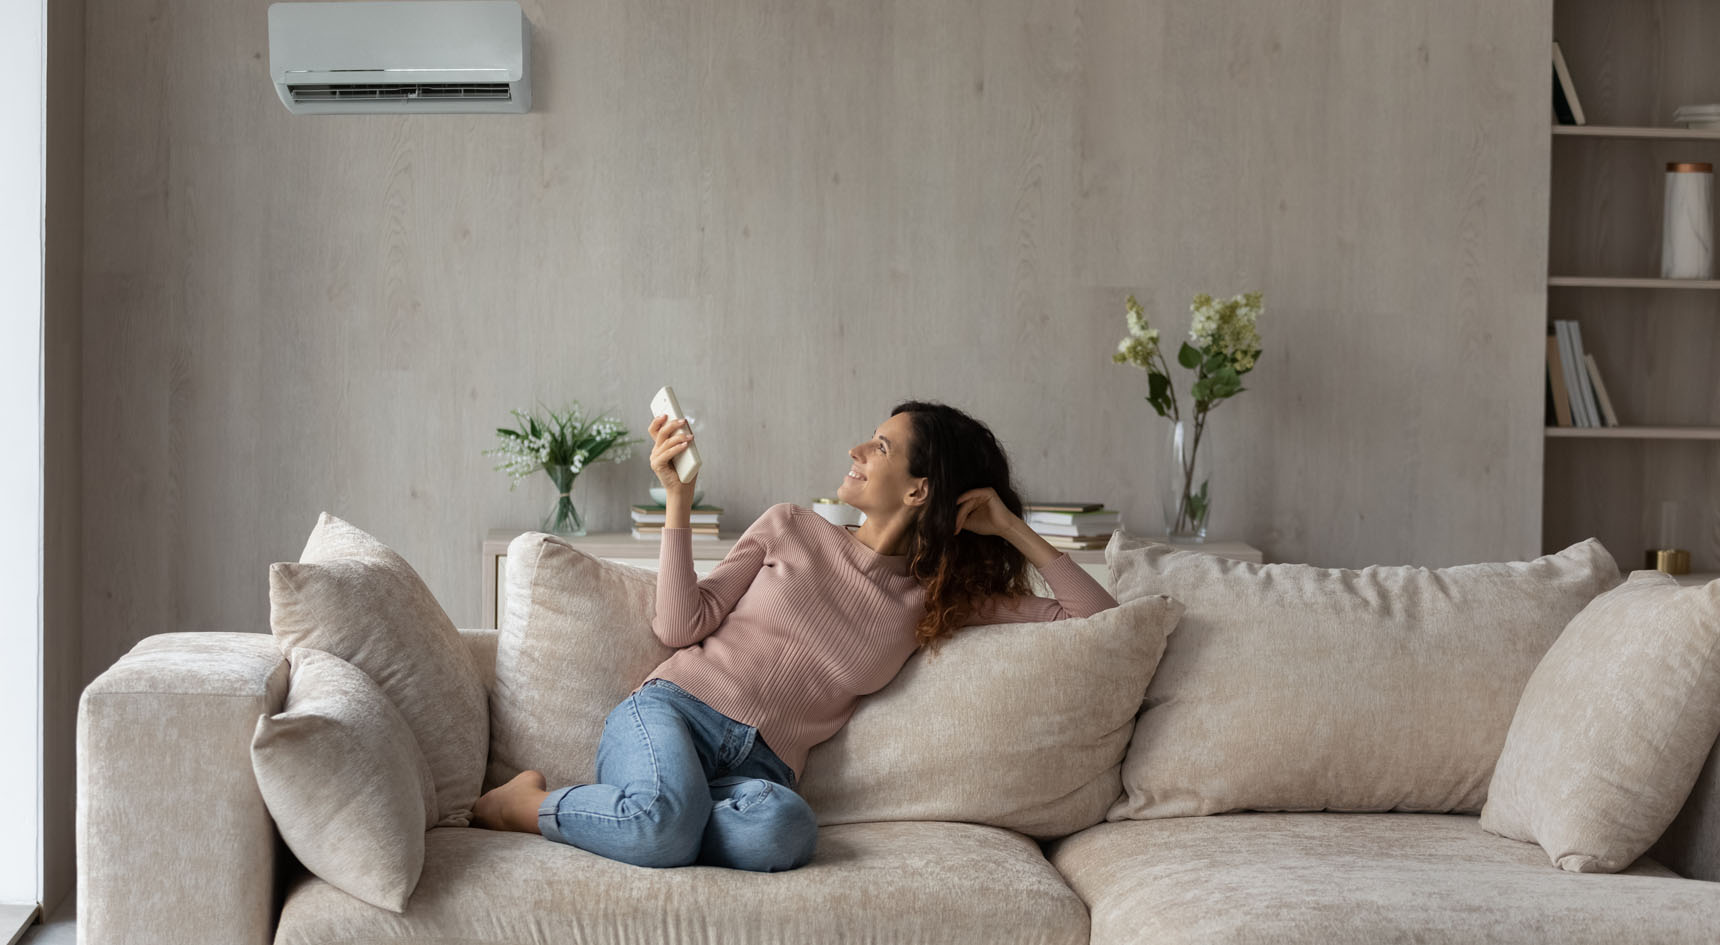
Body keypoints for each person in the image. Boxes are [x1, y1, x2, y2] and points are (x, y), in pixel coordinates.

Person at [472, 400, 1118, 871]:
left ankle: (657, 817)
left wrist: (1010, 526)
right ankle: (522, 805)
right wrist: (678, 497)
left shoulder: (933, 599)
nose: (857, 453)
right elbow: (679, 624)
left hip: (761, 771)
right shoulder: (790, 526)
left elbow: (1093, 617)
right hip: (672, 712)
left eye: (881, 447)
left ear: (920, 488)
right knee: (663, 825)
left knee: (784, 833)